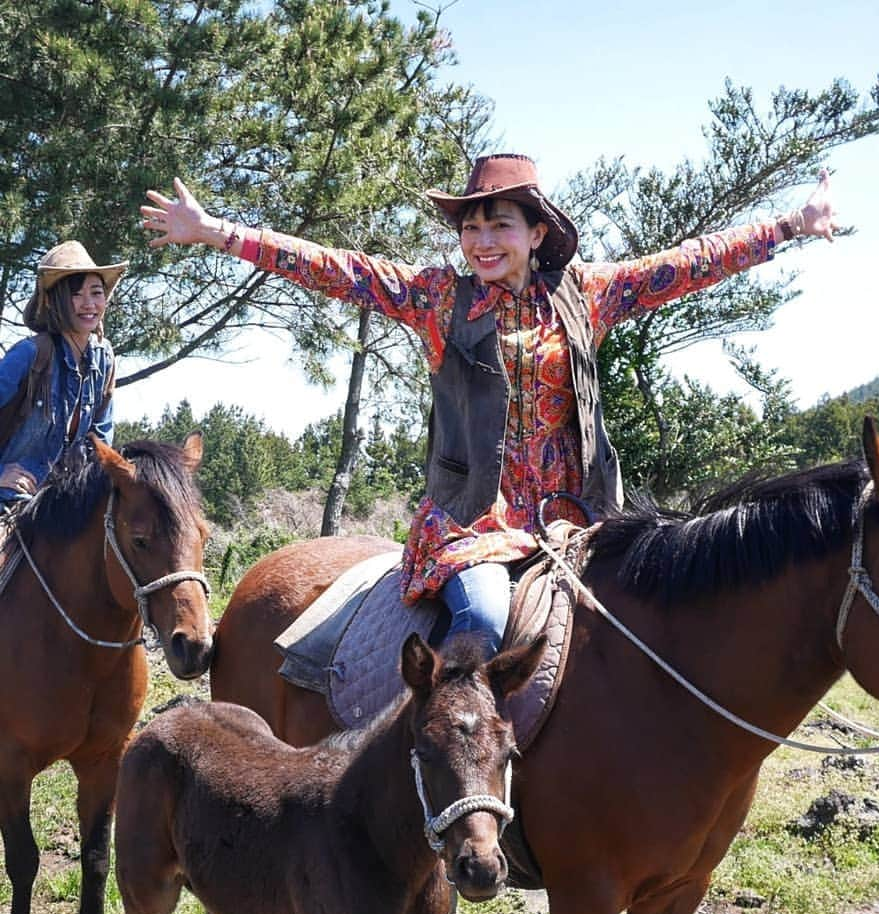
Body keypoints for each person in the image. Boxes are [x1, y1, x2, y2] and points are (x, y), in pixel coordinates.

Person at [142, 155, 835, 656]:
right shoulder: (439, 297)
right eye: (470, 228)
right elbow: (335, 269)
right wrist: (217, 232)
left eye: (497, 225)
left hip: (582, 518)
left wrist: (790, 226)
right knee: (483, 619)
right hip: (474, 523)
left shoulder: (585, 293)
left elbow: (691, 262)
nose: (480, 241)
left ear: (536, 234)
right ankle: (449, 795)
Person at [0, 241, 127, 511]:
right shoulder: (29, 355)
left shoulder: (104, 359)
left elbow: (101, 445)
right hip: (10, 502)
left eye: (96, 292)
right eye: (76, 294)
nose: (89, 304)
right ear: (52, 300)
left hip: (66, 509)